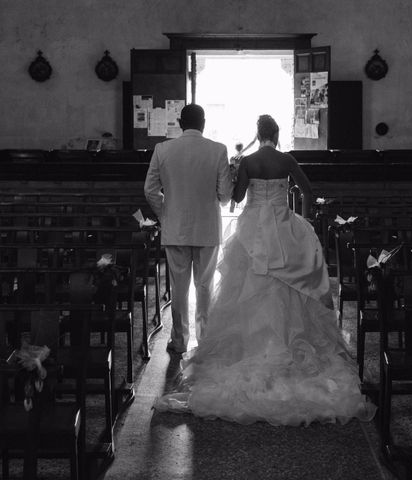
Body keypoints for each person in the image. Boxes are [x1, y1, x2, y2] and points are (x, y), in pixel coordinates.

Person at [154, 114, 376, 426]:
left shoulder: (249, 161)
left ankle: (246, 346)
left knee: (246, 287)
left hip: (253, 229)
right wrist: (305, 218)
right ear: (277, 133)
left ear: (259, 134)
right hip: (284, 226)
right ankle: (286, 341)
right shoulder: (286, 160)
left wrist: (235, 172)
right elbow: (308, 189)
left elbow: (239, 196)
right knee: (290, 287)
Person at [144, 104, 234, 354]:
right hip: (207, 228)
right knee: (204, 286)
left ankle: (180, 340)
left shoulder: (163, 149)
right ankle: (204, 340)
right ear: (203, 123)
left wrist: (165, 213)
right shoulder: (218, 150)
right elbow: (225, 195)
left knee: (179, 288)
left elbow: (150, 190)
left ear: (180, 123)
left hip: (175, 228)